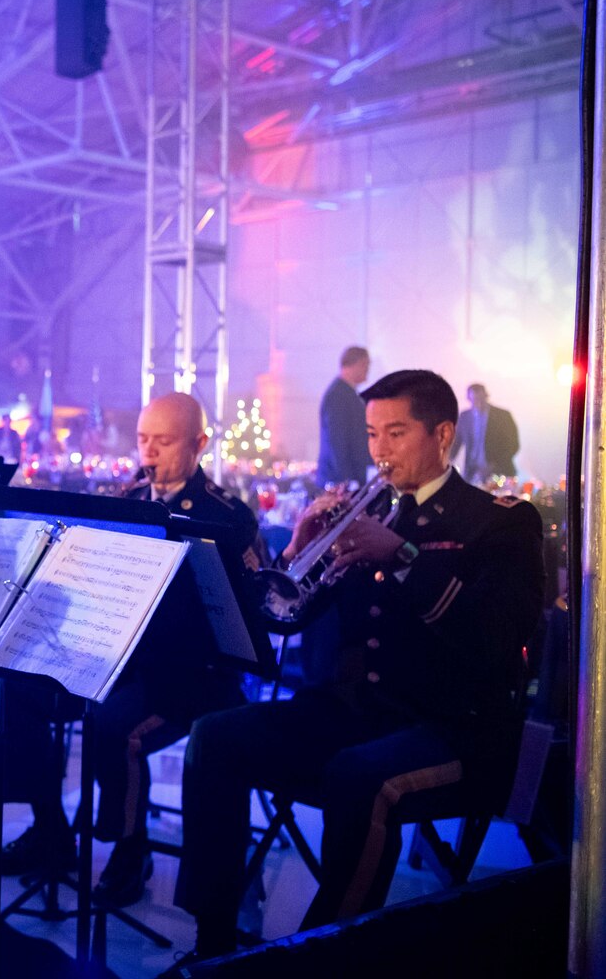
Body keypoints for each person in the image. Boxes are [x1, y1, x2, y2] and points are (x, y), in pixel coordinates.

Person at [178, 369, 543, 959]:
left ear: (442, 434)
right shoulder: (373, 516)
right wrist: (298, 551)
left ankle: (324, 958)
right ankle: (214, 942)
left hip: (453, 726)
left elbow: (494, 636)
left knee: (357, 776)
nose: (379, 452)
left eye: (395, 434)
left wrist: (399, 555)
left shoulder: (498, 521)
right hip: (360, 713)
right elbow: (285, 619)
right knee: (215, 736)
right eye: (372, 434)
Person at [0, 393, 264, 907]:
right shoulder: (126, 497)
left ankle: (131, 851)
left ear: (199, 444)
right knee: (15, 688)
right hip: (115, 657)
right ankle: (51, 829)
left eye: (165, 441)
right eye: (144, 439)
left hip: (188, 674)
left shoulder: (227, 516)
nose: (149, 452)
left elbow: (237, 617)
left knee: (112, 725)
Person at [316, 345, 371, 489]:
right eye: (365, 365)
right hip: (339, 482)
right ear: (355, 364)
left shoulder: (346, 393)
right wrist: (348, 480)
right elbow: (336, 441)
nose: (368, 369)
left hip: (346, 478)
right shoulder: (338, 395)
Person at [451, 382, 520, 481]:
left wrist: (494, 465)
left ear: (486, 396)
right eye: (475, 400)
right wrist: (446, 462)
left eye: (480, 399)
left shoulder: (503, 416)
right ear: (469, 399)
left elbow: (513, 445)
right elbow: (456, 443)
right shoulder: (464, 417)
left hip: (500, 473)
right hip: (472, 473)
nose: (478, 403)